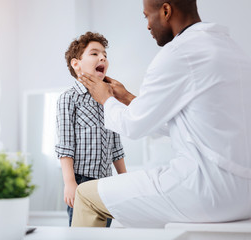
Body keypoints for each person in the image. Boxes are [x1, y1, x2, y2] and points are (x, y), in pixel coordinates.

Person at [72, 0, 251, 228]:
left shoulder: (178, 53)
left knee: (86, 194)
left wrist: (104, 97)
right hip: (245, 194)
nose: (147, 25)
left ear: (166, 11)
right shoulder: (232, 49)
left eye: (147, 16)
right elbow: (181, 123)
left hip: (207, 192)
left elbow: (133, 127)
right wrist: (126, 97)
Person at [55, 32, 127, 227]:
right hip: (82, 181)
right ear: (76, 64)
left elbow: (115, 144)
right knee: (83, 233)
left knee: (103, 231)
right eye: (94, 53)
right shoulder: (69, 99)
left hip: (106, 183)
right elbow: (65, 145)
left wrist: (124, 178)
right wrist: (70, 183)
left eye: (104, 54)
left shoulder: (108, 99)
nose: (102, 57)